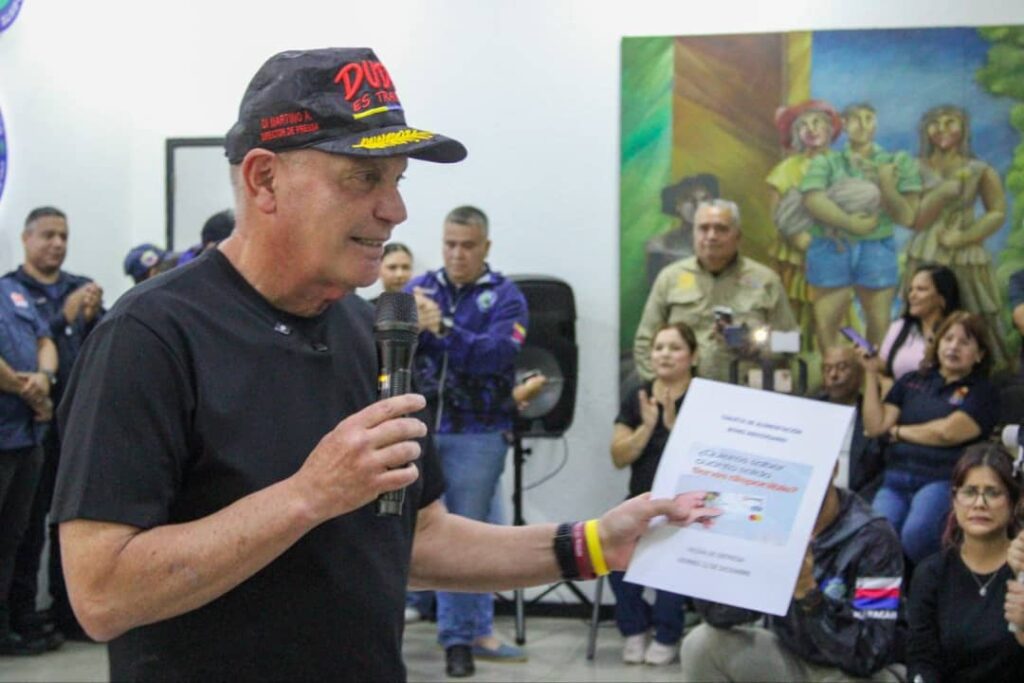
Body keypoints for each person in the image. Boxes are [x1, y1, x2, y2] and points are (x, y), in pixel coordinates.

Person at [50, 48, 717, 683]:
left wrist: (595, 542)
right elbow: (102, 593)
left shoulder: (366, 329)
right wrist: (307, 496)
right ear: (264, 180)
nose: (395, 210)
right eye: (363, 177)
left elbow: (417, 539)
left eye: (397, 180)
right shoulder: (150, 337)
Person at [406, 205, 530, 676]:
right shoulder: (419, 290)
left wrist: (443, 330)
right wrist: (412, 325)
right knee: (449, 530)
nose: (457, 254)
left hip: (478, 431)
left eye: (468, 246)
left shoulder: (507, 296)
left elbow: (496, 355)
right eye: (450, 244)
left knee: (463, 534)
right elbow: (388, 349)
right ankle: (472, 629)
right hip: (419, 426)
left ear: (486, 247)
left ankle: (458, 639)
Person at [679, 457, 905, 681]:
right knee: (701, 646)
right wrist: (743, 566)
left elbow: (870, 655)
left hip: (847, 671)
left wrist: (808, 593)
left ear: (833, 468)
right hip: (788, 656)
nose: (795, 485)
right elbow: (716, 615)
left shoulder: (873, 538)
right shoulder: (766, 519)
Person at [4, 206, 103, 645]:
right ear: (26, 239)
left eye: (63, 235)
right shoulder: (11, 291)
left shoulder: (80, 287)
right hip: (27, 424)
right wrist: (63, 319)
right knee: (21, 528)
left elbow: (98, 347)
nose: (57, 244)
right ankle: (19, 614)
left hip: (73, 424)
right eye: (48, 235)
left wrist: (90, 315)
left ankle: (67, 613)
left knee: (70, 522)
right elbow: (40, 342)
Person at [861, 311, 999, 565]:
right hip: (894, 479)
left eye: (964, 342)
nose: (953, 347)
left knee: (916, 536)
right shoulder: (911, 381)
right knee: (875, 539)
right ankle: (891, 590)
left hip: (941, 479)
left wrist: (899, 432)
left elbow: (947, 433)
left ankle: (924, 586)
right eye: (948, 339)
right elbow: (876, 426)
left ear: (980, 354)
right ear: (937, 344)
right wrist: (870, 375)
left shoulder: (983, 391)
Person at [800, 102, 922, 352]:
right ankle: (833, 372)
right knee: (828, 322)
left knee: (878, 321)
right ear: (844, 124)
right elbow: (812, 199)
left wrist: (887, 185)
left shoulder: (896, 162)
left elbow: (908, 217)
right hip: (830, 245)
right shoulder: (827, 162)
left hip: (877, 246)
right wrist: (850, 223)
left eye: (869, 118)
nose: (863, 125)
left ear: (876, 123)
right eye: (856, 119)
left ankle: (871, 373)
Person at [610, 322, 698, 665]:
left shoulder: (704, 397)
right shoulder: (638, 395)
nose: (665, 354)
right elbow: (618, 456)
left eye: (674, 348)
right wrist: (647, 427)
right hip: (642, 502)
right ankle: (634, 627)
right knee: (609, 542)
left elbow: (709, 461)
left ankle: (667, 632)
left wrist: (676, 429)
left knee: (671, 551)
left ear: (693, 356)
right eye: (659, 347)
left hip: (686, 507)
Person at [633, 199, 796, 384]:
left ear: (738, 236)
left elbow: (792, 343)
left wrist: (756, 346)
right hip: (684, 393)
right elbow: (645, 342)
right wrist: (660, 387)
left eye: (721, 229)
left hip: (744, 392)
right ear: (694, 234)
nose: (711, 236)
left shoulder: (766, 281)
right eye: (703, 228)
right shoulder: (670, 279)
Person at [905, 105, 1010, 373]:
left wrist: (964, 237)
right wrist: (940, 194)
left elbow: (997, 212)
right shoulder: (914, 167)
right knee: (922, 311)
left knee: (971, 309)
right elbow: (912, 217)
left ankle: (983, 371)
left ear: (963, 129)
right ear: (926, 130)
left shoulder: (979, 169)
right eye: (935, 123)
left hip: (965, 252)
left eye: (950, 122)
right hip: (927, 249)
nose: (942, 129)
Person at [906, 443, 1024, 681]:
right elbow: (921, 660)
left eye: (993, 493)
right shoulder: (931, 573)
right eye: (969, 492)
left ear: (1013, 503)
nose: (979, 503)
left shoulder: (1021, 571)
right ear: (955, 500)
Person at [0, 277, 57, 655]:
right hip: (8, 431)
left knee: (13, 539)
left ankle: (5, 626)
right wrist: (29, 391)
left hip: (25, 436)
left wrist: (45, 378)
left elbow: (44, 340)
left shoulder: (11, 292)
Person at [766, 99, 842, 353]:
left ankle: (831, 363)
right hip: (793, 257)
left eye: (817, 122)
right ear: (796, 133)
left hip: (832, 254)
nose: (812, 129)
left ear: (829, 128)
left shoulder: (845, 166)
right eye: (804, 125)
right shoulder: (786, 169)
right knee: (789, 313)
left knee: (830, 315)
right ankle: (787, 362)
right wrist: (797, 237)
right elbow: (777, 215)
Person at [814, 346, 884, 501]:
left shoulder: (873, 416)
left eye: (842, 367)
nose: (833, 375)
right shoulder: (810, 411)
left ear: (860, 374)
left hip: (858, 501)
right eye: (827, 369)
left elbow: (880, 474)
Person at [874, 264, 961, 386]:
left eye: (921, 289)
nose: (912, 295)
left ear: (942, 298)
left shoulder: (957, 332)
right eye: (911, 289)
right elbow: (881, 368)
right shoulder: (899, 327)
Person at [645, 174, 719, 289]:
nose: (697, 205)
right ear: (677, 205)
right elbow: (657, 291)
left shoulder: (723, 243)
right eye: (688, 199)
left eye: (704, 199)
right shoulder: (659, 246)